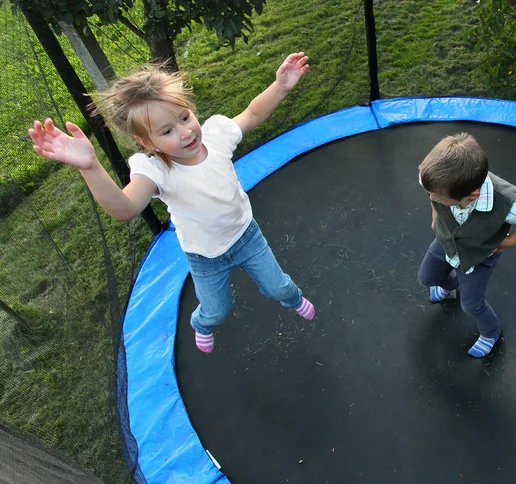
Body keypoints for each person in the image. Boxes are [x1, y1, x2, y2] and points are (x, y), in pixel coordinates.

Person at [29, 52, 315, 354]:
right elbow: (125, 208)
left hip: (246, 235)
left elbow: (252, 114)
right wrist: (90, 167)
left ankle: (293, 298)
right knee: (217, 310)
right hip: (205, 258)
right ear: (147, 143)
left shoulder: (215, 136)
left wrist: (281, 86)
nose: (186, 132)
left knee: (278, 287)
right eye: (167, 131)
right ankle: (201, 325)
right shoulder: (154, 169)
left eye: (185, 117)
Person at [417, 132, 516, 358]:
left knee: (471, 305)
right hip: (446, 242)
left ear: (472, 195)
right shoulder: (438, 182)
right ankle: (450, 286)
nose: (432, 198)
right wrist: (435, 214)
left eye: (438, 199)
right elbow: (433, 193)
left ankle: (491, 332)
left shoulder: (508, 202)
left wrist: (510, 240)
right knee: (427, 278)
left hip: (480, 256)